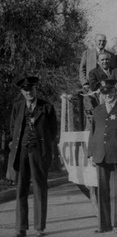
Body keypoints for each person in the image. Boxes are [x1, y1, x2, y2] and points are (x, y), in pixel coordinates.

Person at [9, 76, 57, 237]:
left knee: (39, 187)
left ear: (36, 89)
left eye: (32, 89)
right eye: (25, 90)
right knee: (21, 188)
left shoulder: (47, 107)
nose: (29, 92)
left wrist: (43, 147)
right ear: (22, 92)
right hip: (21, 151)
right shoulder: (17, 107)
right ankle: (20, 227)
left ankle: (39, 227)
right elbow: (12, 130)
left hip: (39, 151)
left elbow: (52, 132)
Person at [87, 79, 117, 234]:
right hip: (100, 155)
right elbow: (93, 133)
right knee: (102, 192)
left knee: (116, 192)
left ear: (115, 92)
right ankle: (103, 225)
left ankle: (115, 224)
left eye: (111, 92)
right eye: (104, 93)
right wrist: (90, 153)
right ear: (101, 94)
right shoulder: (97, 110)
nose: (108, 95)